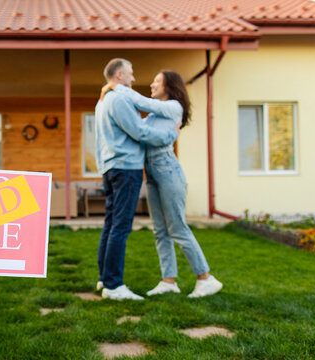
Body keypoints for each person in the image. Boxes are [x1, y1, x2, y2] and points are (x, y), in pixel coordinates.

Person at [103, 70, 223, 298]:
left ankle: (205, 278)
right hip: (152, 174)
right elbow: (142, 132)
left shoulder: (173, 106)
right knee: (160, 231)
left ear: (170, 85)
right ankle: (168, 281)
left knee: (177, 227)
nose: (152, 84)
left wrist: (115, 87)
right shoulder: (154, 115)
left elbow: (142, 104)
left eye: (157, 81)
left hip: (168, 171)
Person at [95, 59, 181, 301]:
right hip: (126, 168)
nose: (134, 79)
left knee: (111, 225)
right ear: (120, 74)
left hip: (111, 167)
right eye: (131, 74)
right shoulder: (120, 98)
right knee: (120, 227)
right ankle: (114, 286)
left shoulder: (102, 101)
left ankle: (105, 279)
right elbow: (140, 132)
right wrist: (170, 134)